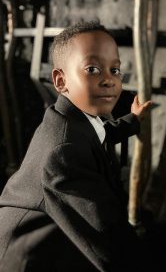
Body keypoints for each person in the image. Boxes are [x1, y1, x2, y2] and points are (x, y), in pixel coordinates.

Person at [0, 21, 151, 272]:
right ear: (61, 81)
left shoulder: (69, 119)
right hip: (27, 257)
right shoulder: (64, 152)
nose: (108, 81)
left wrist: (132, 121)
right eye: (92, 69)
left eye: (115, 70)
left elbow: (99, 135)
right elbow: (107, 240)